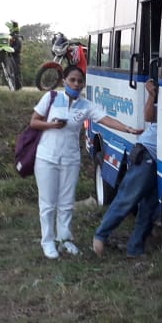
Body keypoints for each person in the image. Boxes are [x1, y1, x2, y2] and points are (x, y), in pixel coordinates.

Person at [31, 66, 143, 259]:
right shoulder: (51, 98)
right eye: (72, 80)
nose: (76, 84)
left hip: (71, 159)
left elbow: (106, 119)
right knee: (48, 203)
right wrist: (52, 125)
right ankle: (47, 241)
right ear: (64, 80)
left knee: (66, 202)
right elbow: (34, 122)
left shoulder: (86, 105)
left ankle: (65, 238)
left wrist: (128, 129)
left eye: (79, 81)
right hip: (46, 157)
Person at [92, 78, 159, 258]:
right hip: (148, 154)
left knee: (149, 206)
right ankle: (100, 236)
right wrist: (152, 96)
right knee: (128, 197)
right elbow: (149, 117)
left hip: (161, 161)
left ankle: (135, 248)